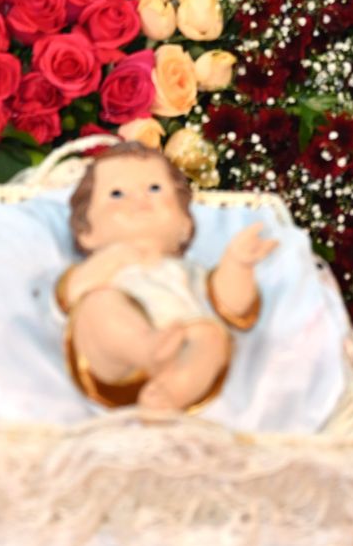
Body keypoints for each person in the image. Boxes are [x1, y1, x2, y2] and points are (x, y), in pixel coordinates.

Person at [59, 143, 276, 413]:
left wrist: (238, 264)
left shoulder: (190, 272)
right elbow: (72, 294)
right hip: (116, 366)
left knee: (212, 336)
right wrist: (114, 256)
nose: (139, 200)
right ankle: (146, 347)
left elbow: (233, 308)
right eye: (116, 193)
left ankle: (169, 395)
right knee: (98, 304)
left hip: (181, 350)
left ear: (185, 225)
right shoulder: (105, 266)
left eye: (154, 188)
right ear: (87, 234)